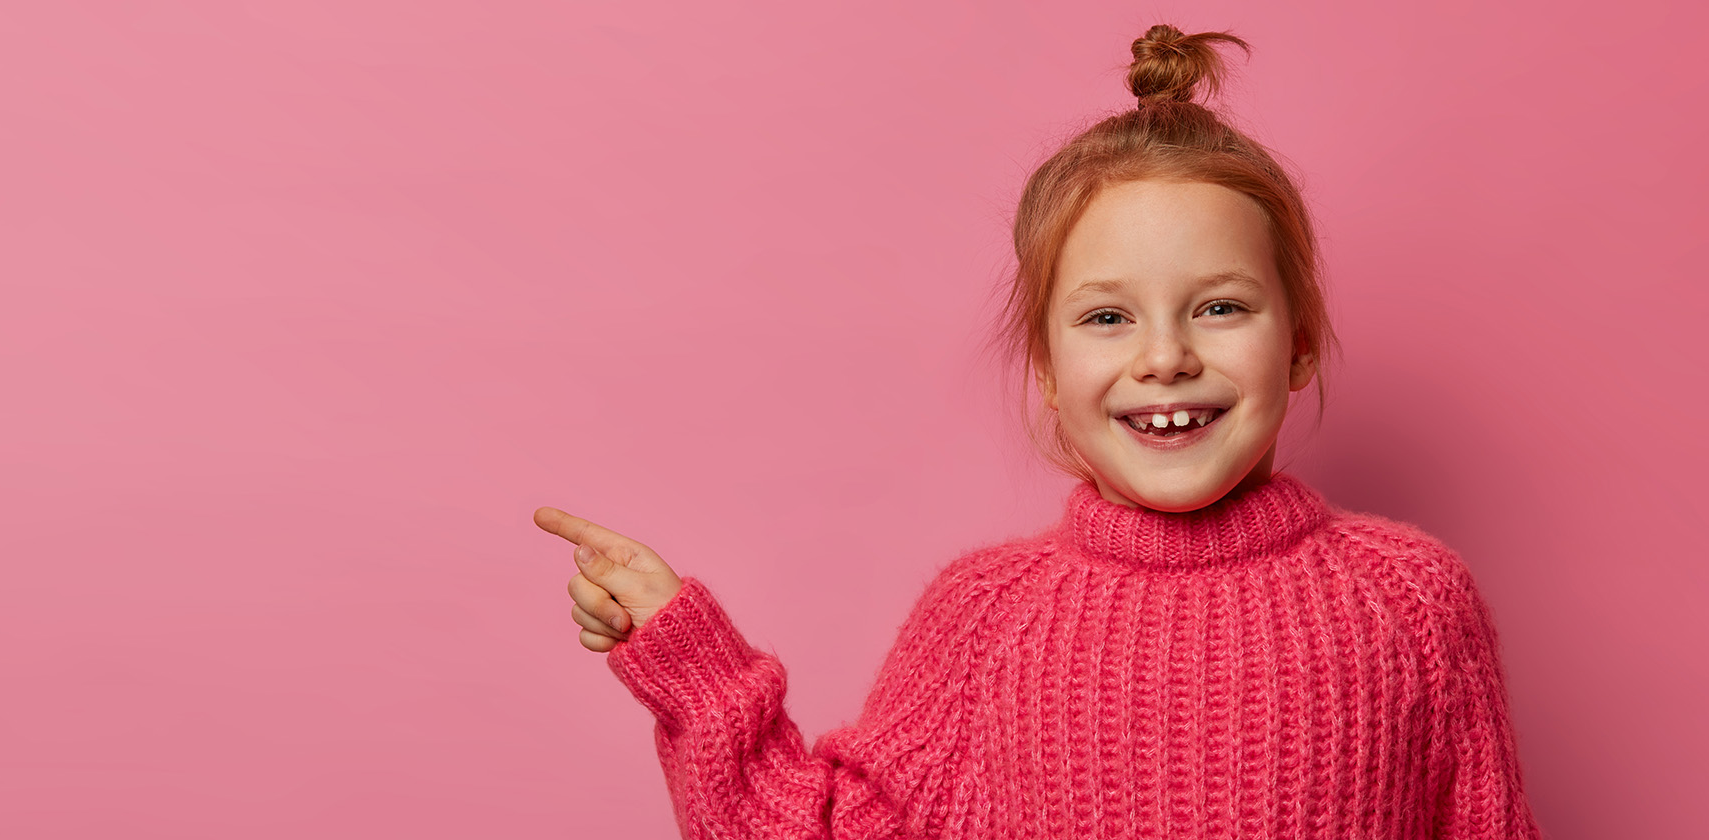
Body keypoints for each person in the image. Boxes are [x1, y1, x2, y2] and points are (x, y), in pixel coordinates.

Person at [533, 23, 1540, 839]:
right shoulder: (985, 617)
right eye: (1108, 317)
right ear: (1050, 375)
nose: (1164, 357)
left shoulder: (1411, 601)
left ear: (1302, 345)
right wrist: (695, 669)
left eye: (1219, 308)